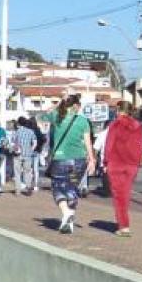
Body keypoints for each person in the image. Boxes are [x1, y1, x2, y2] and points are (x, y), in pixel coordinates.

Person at [46, 96, 95, 234]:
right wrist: (92, 159)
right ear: (75, 106)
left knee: (57, 187)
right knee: (72, 187)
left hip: (60, 160)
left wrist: (59, 102)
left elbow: (45, 112)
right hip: (78, 161)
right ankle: (68, 221)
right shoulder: (83, 121)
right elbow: (88, 142)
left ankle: (66, 212)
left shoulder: (56, 117)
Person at [105, 102, 142, 236]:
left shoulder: (115, 124)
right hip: (132, 165)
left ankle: (123, 225)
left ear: (119, 110)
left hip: (116, 163)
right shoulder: (138, 126)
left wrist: (105, 162)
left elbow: (109, 145)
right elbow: (140, 146)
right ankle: (123, 223)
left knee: (118, 196)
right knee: (125, 194)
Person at [13, 116, 40, 195]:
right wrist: (31, 149)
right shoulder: (31, 132)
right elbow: (35, 143)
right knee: (27, 172)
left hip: (18, 154)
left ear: (18, 123)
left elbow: (13, 142)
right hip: (28, 154)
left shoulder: (17, 132)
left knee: (17, 172)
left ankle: (18, 190)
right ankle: (28, 187)